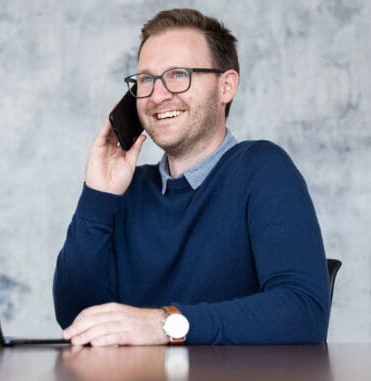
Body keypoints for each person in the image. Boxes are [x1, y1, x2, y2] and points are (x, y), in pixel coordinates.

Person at [52, 8, 329, 346]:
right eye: (146, 80)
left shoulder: (262, 169)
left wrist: (164, 324)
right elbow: (78, 318)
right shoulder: (127, 190)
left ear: (225, 86)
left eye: (178, 75)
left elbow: (304, 313)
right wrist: (98, 195)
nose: (157, 95)